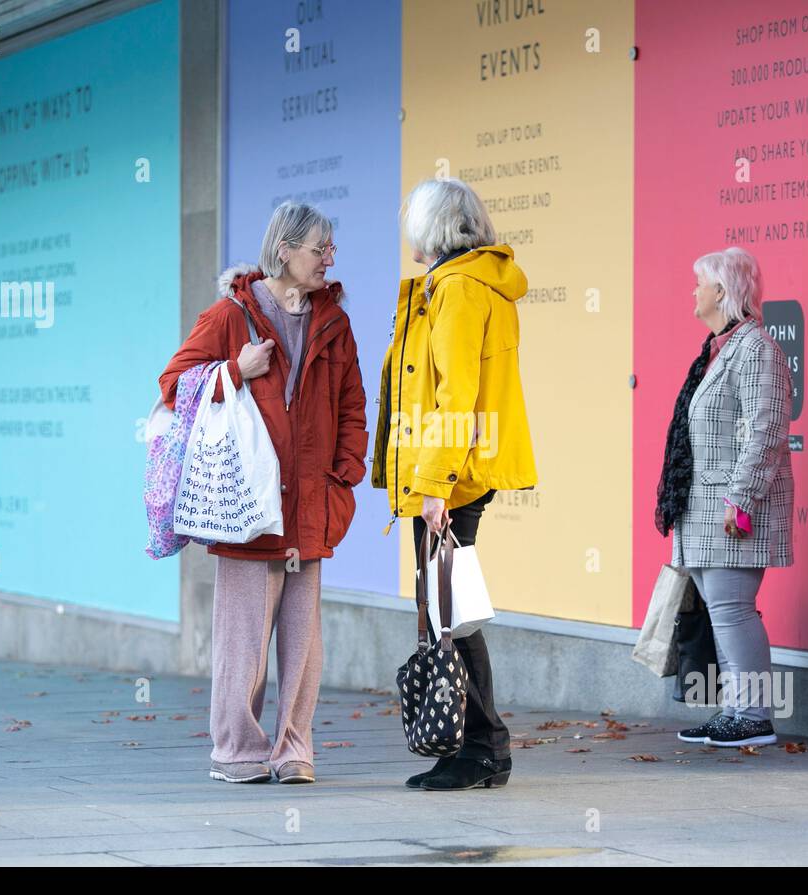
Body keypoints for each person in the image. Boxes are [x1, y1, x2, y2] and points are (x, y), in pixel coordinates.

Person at [158, 201, 367, 784]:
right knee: (242, 640)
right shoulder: (231, 315)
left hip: (312, 505)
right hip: (249, 507)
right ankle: (239, 751)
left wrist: (342, 475)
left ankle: (294, 749)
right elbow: (173, 385)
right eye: (319, 249)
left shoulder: (334, 320)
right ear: (284, 251)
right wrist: (233, 370)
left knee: (303, 644)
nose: (330, 259)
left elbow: (352, 403)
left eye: (330, 248)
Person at [371, 177, 538, 790]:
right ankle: (478, 745)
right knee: (449, 606)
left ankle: (483, 747)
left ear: (432, 228)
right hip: (449, 471)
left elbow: (455, 395)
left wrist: (435, 484)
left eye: (413, 220)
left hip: (451, 476)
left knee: (450, 610)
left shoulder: (461, 290)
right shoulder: (457, 285)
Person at [655, 246, 794, 747]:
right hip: (705, 510)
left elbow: (767, 429)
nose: (692, 291)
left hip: (732, 510)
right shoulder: (716, 349)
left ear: (722, 290)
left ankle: (753, 715)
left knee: (734, 611)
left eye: (700, 283)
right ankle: (736, 709)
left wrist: (742, 501)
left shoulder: (757, 348)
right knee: (722, 611)